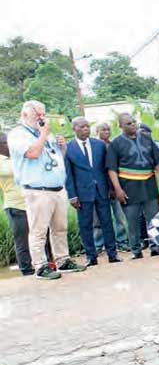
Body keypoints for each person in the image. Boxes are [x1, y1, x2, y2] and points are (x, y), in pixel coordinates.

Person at [7, 100, 85, 279]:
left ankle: (63, 260)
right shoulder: (18, 134)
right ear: (25, 115)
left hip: (57, 188)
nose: (42, 118)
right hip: (37, 190)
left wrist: (62, 147)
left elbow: (55, 160)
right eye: (38, 115)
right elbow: (32, 153)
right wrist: (43, 135)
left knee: (60, 227)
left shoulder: (46, 134)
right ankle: (40, 266)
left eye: (43, 114)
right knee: (39, 230)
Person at [106, 112, 159, 259]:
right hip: (129, 186)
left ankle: (155, 246)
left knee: (154, 217)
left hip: (149, 183)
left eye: (133, 122)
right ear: (120, 126)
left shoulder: (146, 138)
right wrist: (118, 189)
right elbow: (112, 169)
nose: (132, 125)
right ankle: (136, 250)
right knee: (132, 221)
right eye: (128, 123)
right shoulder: (115, 144)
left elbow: (156, 162)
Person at [64, 117, 121, 266]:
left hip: (101, 190)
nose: (86, 129)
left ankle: (112, 254)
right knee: (85, 225)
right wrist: (72, 195)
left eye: (87, 126)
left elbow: (105, 168)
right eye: (82, 127)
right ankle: (91, 256)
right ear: (74, 129)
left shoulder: (99, 145)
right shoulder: (68, 148)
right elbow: (68, 174)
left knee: (107, 222)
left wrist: (111, 188)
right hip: (82, 193)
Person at [0, 132, 35, 275]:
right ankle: (26, 269)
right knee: (22, 239)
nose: (7, 145)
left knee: (39, 235)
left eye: (8, 141)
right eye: (4, 143)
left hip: (32, 201)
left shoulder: (18, 156)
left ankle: (43, 265)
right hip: (15, 205)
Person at [93, 122, 129, 252]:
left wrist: (116, 187)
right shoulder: (93, 146)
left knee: (119, 217)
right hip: (100, 188)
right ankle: (98, 244)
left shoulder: (113, 145)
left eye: (108, 129)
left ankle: (122, 241)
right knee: (97, 219)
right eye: (103, 129)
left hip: (115, 187)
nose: (106, 132)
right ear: (97, 131)